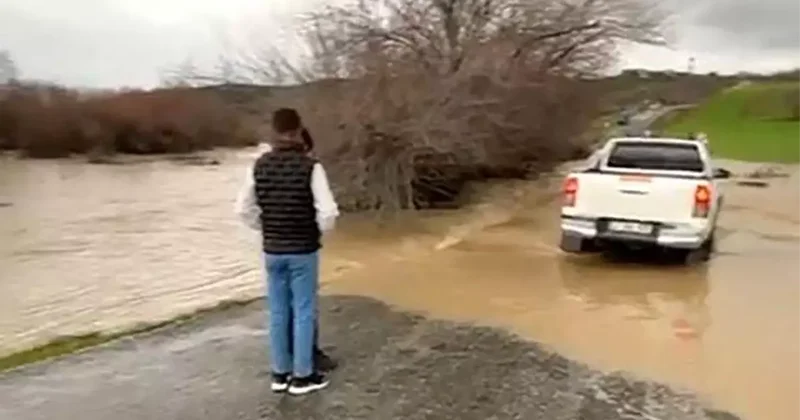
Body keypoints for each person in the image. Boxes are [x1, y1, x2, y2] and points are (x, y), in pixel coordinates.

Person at [235, 108, 339, 395]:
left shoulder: (258, 165)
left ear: (273, 130)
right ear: (298, 129)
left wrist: (265, 227)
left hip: (272, 248)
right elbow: (328, 212)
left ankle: (279, 374)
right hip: (303, 248)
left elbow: (242, 209)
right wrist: (317, 232)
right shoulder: (311, 167)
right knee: (304, 310)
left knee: (278, 311)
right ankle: (303, 376)